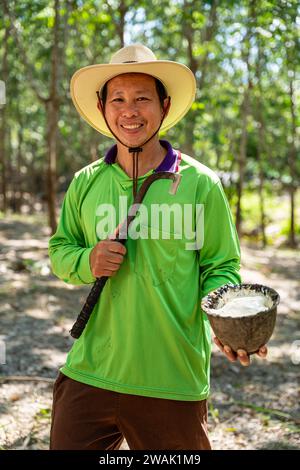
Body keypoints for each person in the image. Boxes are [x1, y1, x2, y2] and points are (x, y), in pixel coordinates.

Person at [48, 44, 267, 450]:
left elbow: (220, 265)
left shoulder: (201, 183)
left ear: (164, 106)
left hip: (171, 379)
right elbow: (61, 250)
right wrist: (87, 259)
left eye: (142, 98)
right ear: (102, 107)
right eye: (118, 99)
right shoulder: (85, 183)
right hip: (90, 372)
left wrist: (225, 315)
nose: (130, 110)